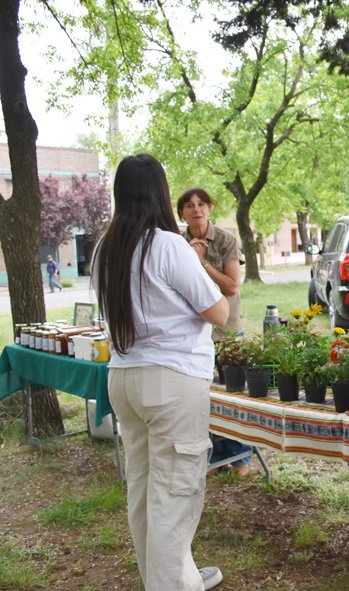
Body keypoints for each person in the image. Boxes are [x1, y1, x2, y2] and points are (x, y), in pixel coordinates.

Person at [93, 154, 229, 591]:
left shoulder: (104, 248)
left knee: (145, 487)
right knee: (174, 493)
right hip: (171, 380)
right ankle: (170, 584)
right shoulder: (167, 245)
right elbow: (220, 311)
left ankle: (176, 577)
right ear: (160, 193)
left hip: (124, 379)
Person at [175, 187, 252, 478]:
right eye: (189, 205)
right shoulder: (176, 243)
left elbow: (232, 286)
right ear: (181, 212)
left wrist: (202, 262)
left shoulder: (225, 240)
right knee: (204, 397)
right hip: (192, 333)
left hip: (226, 331)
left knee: (232, 395)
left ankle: (241, 455)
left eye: (202, 204)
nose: (196, 209)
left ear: (210, 208)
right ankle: (217, 453)